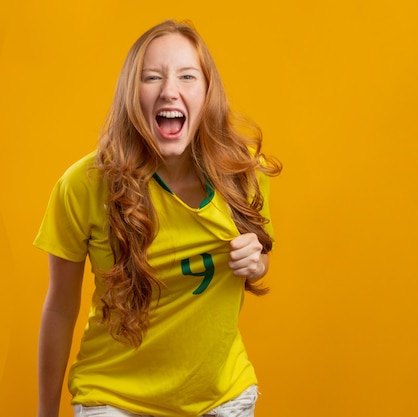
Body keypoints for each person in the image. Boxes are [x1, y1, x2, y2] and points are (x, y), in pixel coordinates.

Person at [34, 19, 281, 417]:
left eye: (187, 76)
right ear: (132, 95)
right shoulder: (83, 186)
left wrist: (257, 263)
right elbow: (60, 307)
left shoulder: (244, 175)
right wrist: (45, 413)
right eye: (152, 77)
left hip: (221, 398)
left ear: (207, 93)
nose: (170, 90)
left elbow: (259, 260)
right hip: (113, 398)